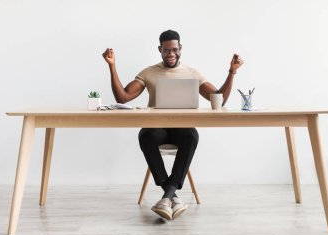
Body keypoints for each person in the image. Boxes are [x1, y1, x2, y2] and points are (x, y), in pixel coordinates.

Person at [102, 30, 244, 220]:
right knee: (145, 136)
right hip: (157, 128)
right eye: (166, 50)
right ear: (160, 49)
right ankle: (172, 196)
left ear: (181, 49)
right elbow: (123, 97)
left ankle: (167, 197)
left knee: (192, 136)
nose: (171, 54)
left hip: (182, 129)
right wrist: (112, 66)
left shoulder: (192, 73)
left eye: (175, 50)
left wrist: (232, 72)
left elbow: (218, 100)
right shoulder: (149, 72)